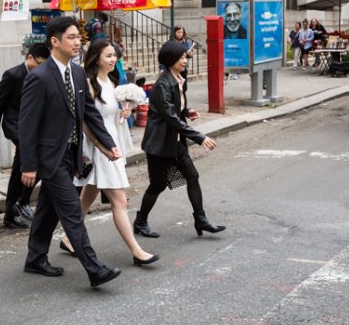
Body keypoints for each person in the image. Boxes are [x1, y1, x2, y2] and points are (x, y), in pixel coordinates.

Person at [18, 16, 124, 288]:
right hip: (49, 157)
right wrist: (28, 165)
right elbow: (27, 125)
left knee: (48, 209)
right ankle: (94, 268)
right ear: (54, 42)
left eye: (79, 37)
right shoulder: (39, 77)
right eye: (72, 37)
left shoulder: (77, 73)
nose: (78, 42)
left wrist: (107, 143)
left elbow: (88, 113)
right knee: (72, 212)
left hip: (73, 154)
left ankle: (35, 258)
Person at [58, 39, 158, 266]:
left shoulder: (111, 81)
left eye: (114, 55)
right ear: (96, 58)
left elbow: (109, 115)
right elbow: (84, 121)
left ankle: (67, 238)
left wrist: (124, 113)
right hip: (99, 147)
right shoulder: (90, 83)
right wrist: (102, 147)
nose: (113, 59)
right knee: (120, 201)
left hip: (111, 142)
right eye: (108, 55)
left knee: (88, 195)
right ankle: (137, 250)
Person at [132, 41, 224, 239]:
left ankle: (200, 220)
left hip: (176, 142)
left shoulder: (180, 79)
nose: (185, 61)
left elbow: (176, 111)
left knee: (192, 177)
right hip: (159, 145)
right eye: (182, 58)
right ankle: (140, 222)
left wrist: (187, 111)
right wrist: (199, 137)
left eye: (185, 57)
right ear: (171, 60)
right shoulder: (161, 86)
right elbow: (170, 118)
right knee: (158, 185)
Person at [0, 43, 50, 229]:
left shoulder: (44, 74)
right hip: (15, 125)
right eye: (38, 63)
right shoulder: (12, 75)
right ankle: (15, 208)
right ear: (29, 57)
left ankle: (20, 203)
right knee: (26, 163)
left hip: (35, 125)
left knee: (33, 165)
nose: (41, 67)